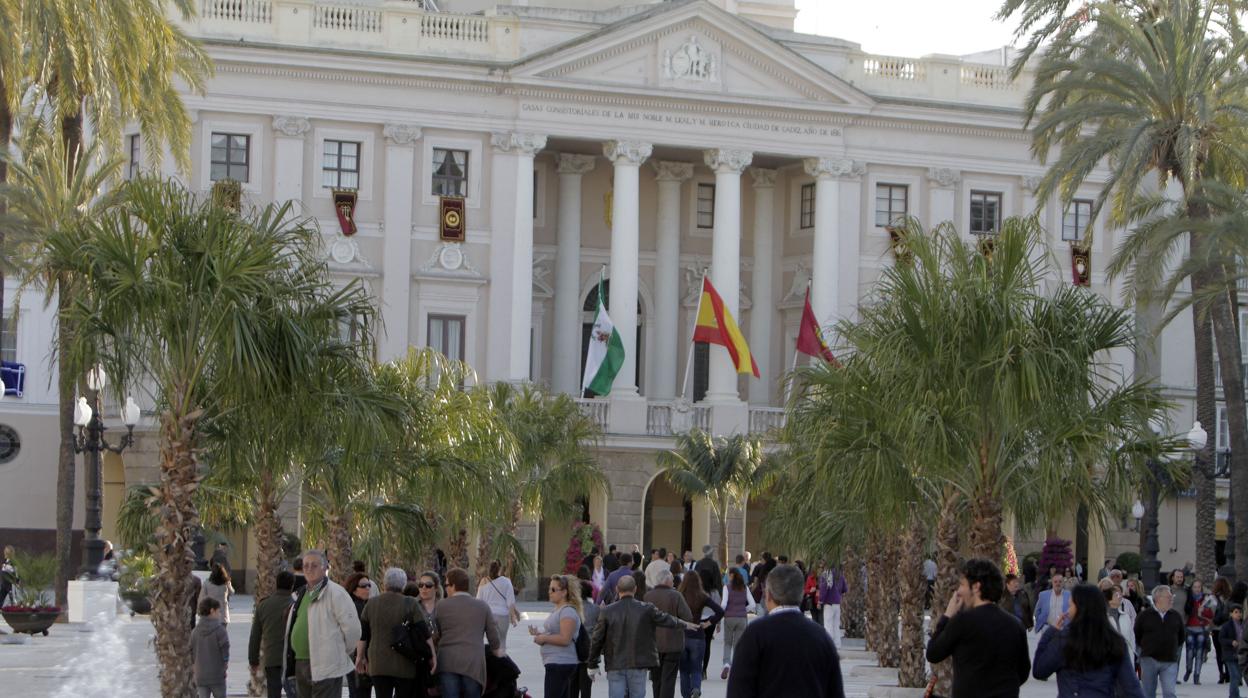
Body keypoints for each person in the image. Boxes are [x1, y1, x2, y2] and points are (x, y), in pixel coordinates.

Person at [725, 563, 843, 698]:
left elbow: (738, 691)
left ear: (768, 595)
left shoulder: (754, 635)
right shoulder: (822, 638)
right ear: (801, 594)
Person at [925, 558, 1030, 698]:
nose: (958, 591)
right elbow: (1023, 671)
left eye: (962, 584)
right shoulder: (1016, 625)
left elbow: (933, 653)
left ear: (976, 587)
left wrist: (947, 616)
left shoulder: (962, 622)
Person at [588, 574, 700, 698]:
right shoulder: (646, 609)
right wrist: (684, 624)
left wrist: (592, 664)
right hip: (638, 662)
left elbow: (597, 638)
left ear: (617, 589)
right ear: (635, 589)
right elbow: (665, 619)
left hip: (615, 663)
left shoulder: (607, 611)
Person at [1032, 583, 1144, 698]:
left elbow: (1040, 670)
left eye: (1070, 606)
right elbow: (1131, 687)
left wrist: (1051, 632)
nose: (1067, 611)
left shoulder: (1065, 639)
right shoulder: (1114, 641)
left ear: (1079, 608)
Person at [283, 550, 362, 698]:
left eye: (314, 565)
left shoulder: (336, 593)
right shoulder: (300, 594)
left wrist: (336, 651)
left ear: (325, 568)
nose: (309, 569)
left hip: (327, 665)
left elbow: (353, 630)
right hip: (301, 662)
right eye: (306, 565)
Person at [357, 567, 435, 698]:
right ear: (403, 584)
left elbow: (363, 635)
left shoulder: (371, 603)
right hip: (405, 663)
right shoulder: (410, 603)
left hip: (378, 663)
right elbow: (424, 632)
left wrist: (360, 656)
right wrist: (432, 655)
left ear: (385, 583)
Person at [436, 567, 502, 698]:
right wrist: (496, 651)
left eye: (447, 585)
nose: (446, 588)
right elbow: (494, 637)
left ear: (454, 586)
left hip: (448, 662)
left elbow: (435, 633)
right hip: (473, 664)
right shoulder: (482, 606)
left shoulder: (441, 606)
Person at [531, 574, 582, 698]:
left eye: (553, 589)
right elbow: (557, 633)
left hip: (561, 663)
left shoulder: (567, 611)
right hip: (556, 663)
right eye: (549, 589)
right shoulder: (559, 610)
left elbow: (565, 639)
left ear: (564, 592)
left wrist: (544, 638)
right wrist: (540, 634)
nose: (550, 592)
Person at [644, 568, 692, 698]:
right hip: (673, 643)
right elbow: (688, 616)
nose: (673, 583)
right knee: (668, 679)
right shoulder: (676, 595)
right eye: (672, 580)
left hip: (653, 644)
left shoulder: (648, 596)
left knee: (656, 679)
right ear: (667, 581)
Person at [250, 571, 296, 698]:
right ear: (292, 585)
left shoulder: (264, 605)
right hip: (293, 658)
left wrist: (253, 660)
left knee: (274, 693)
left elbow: (255, 636)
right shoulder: (296, 604)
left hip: (272, 657)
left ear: (276, 584)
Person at [1135, 584, 1185, 698]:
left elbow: (1181, 636)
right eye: (1168, 597)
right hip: (1149, 660)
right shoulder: (1144, 615)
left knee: (1169, 692)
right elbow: (1137, 634)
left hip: (1169, 661)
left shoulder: (1175, 616)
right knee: (1148, 693)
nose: (1171, 599)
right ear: (1158, 598)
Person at [678, 572, 723, 698]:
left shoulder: (679, 595)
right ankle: (696, 688)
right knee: (697, 667)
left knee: (684, 670)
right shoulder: (702, 596)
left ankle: (686, 694)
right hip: (698, 634)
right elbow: (720, 611)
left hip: (683, 634)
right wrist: (708, 623)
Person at [720, 567, 756, 680]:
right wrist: (743, 609)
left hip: (729, 618)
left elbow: (724, 604)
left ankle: (726, 664)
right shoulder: (744, 587)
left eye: (727, 575)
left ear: (731, 575)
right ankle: (736, 667)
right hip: (741, 618)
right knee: (738, 644)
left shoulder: (727, 587)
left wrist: (721, 614)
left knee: (727, 643)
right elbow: (753, 604)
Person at [476, 560, 518, 652]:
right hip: (503, 616)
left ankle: (492, 663)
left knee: (491, 643)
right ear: (499, 569)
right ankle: (501, 660)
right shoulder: (506, 582)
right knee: (502, 642)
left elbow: (479, 601)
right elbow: (510, 602)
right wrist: (513, 617)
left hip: (489, 616)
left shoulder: (483, 581)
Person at [192, 597, 230, 698]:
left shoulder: (195, 632)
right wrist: (225, 664)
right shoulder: (220, 630)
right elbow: (225, 649)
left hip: (201, 675)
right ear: (212, 611)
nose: (220, 614)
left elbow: (192, 653)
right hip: (217, 675)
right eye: (218, 611)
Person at [344, 573, 373, 698]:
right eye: (363, 586)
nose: (367, 588)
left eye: (369, 585)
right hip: (357, 657)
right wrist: (361, 656)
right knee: (359, 692)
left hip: (355, 656)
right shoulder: (356, 607)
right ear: (354, 588)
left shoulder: (362, 605)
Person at [572, 573, 600, 698]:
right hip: (589, 652)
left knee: (571, 688)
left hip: (573, 652)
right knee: (586, 689)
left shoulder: (571, 609)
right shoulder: (596, 609)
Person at [1184, 578, 1215, 684]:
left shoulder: (1205, 600)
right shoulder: (1188, 599)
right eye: (1195, 587)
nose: (1197, 589)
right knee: (1190, 651)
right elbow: (1185, 612)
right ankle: (1188, 669)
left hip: (1201, 628)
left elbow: (1211, 615)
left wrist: (1204, 611)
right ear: (1192, 588)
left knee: (1199, 653)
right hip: (1190, 628)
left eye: (1199, 587)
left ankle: (1197, 675)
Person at [818, 563, 848, 648]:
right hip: (837, 603)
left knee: (828, 624)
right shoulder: (840, 575)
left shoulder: (826, 574)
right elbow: (845, 589)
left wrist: (820, 601)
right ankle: (837, 644)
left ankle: (829, 644)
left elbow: (824, 590)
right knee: (836, 625)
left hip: (829, 603)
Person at [1218, 603, 1244, 698]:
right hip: (1230, 654)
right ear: (1231, 614)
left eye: (1240, 612)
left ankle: (1235, 695)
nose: (1238, 614)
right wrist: (1231, 642)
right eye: (1236, 612)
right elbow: (1221, 638)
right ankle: (1234, 696)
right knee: (1234, 675)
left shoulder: (1243, 625)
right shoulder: (1227, 626)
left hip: (1241, 655)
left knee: (1238, 676)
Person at [1105, 585, 1136, 659]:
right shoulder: (1102, 617)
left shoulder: (1125, 616)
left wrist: (1132, 652)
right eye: (1116, 595)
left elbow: (1131, 637)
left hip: (1126, 656)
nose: (1119, 597)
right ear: (1109, 599)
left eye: (1120, 594)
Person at [1213, 577, 1232, 685]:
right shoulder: (1230, 598)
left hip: (1217, 628)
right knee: (1228, 651)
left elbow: (1206, 610)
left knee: (1219, 652)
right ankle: (1229, 673)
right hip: (1228, 628)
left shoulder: (1213, 598)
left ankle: (1221, 674)